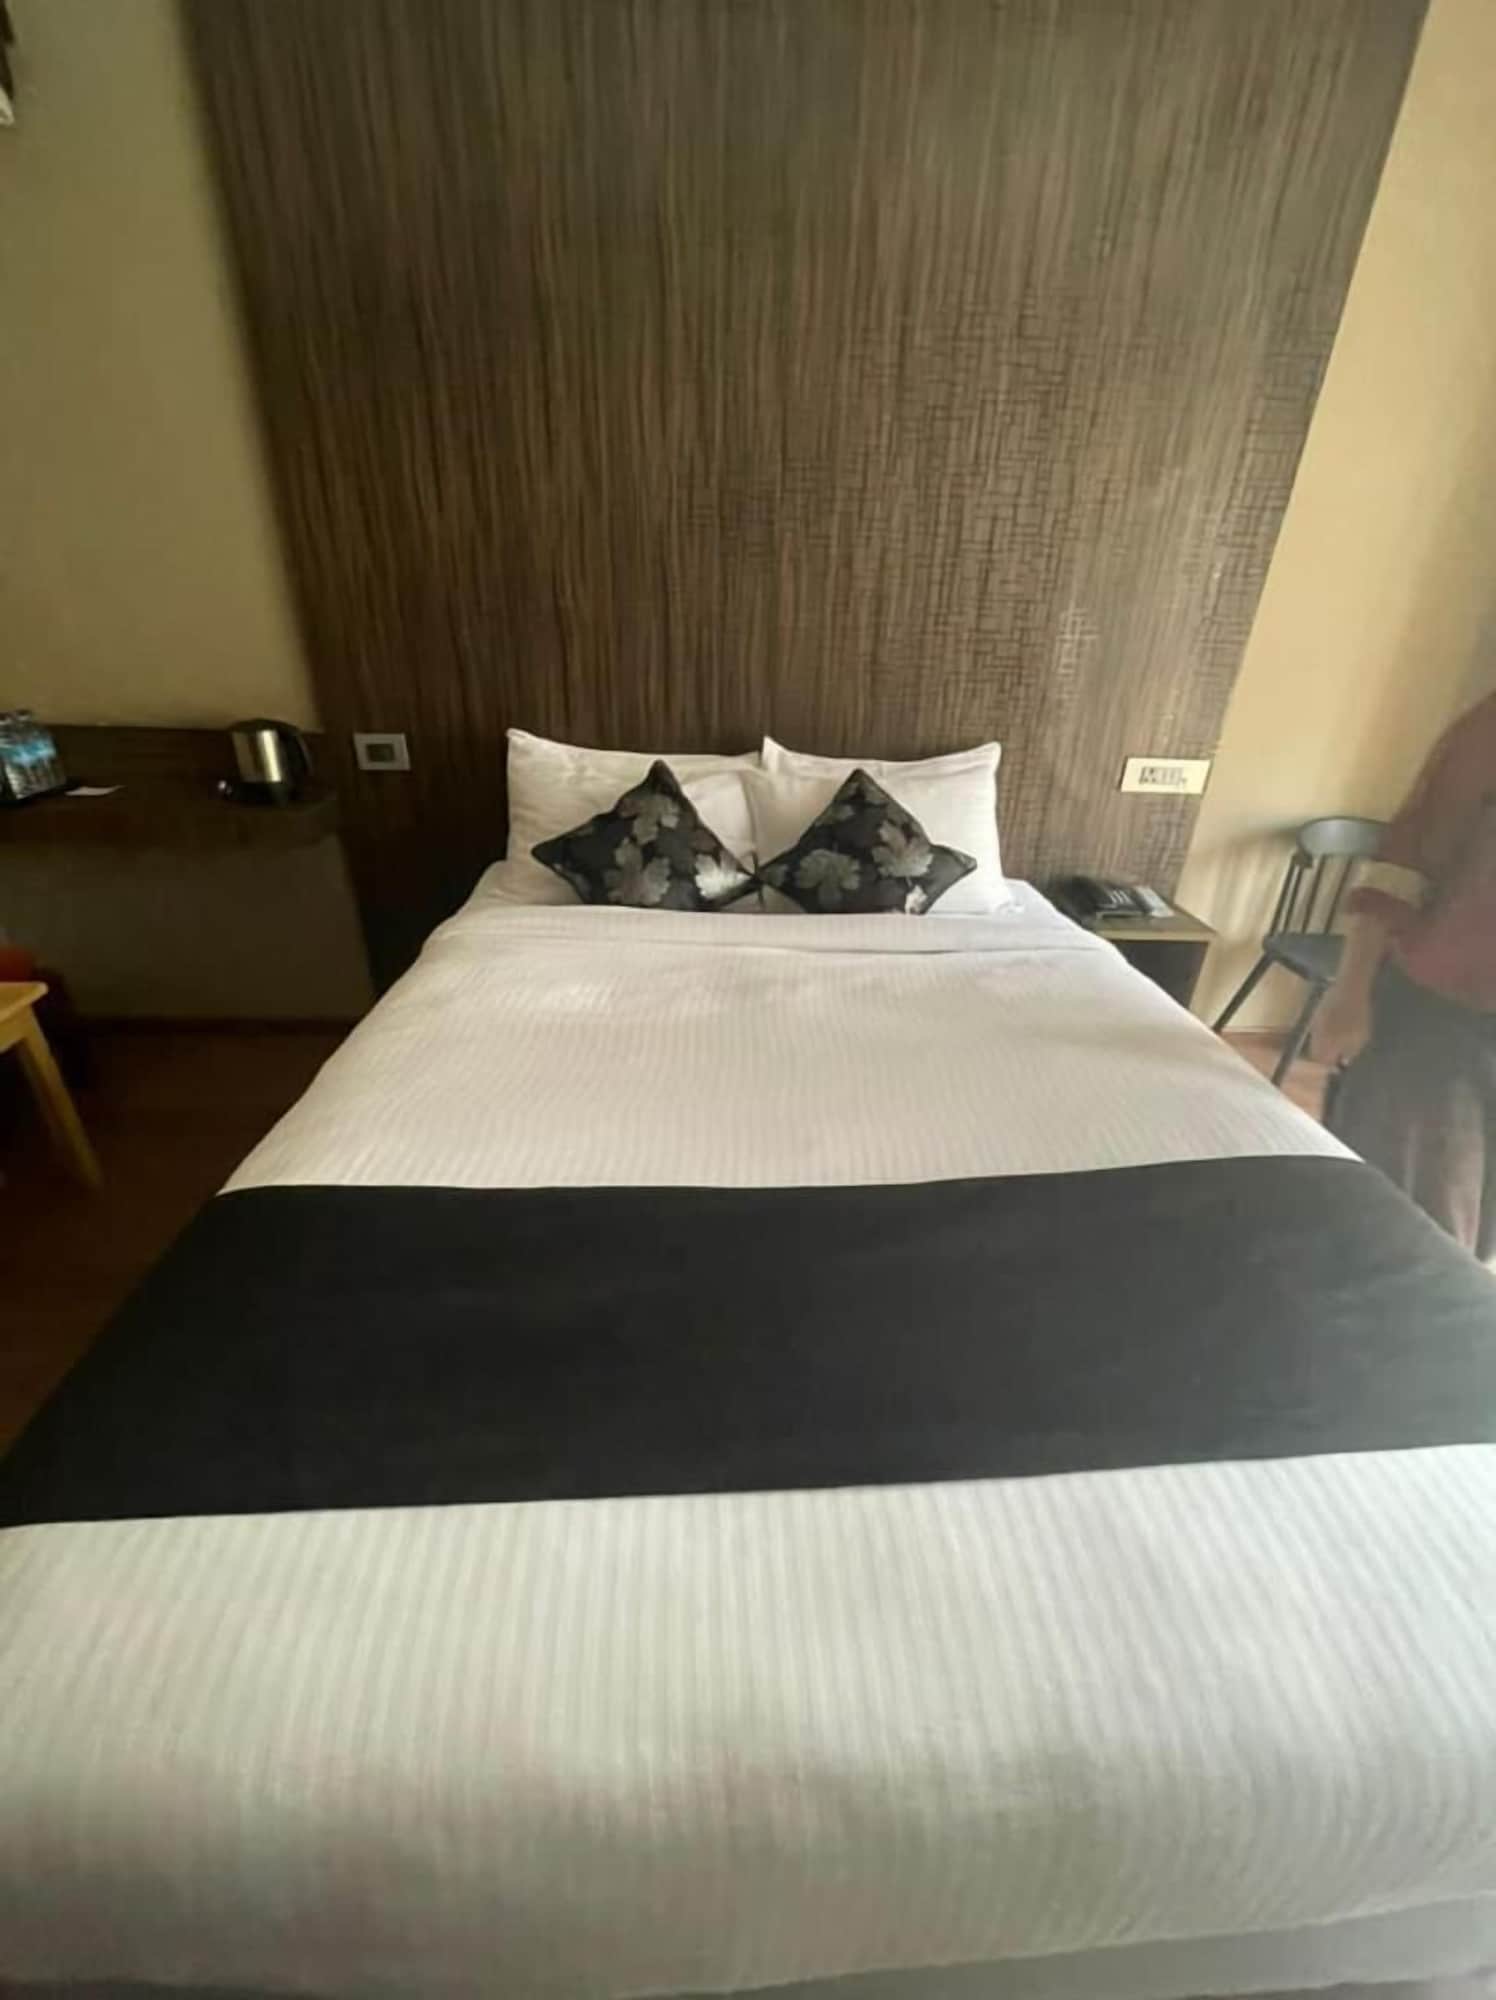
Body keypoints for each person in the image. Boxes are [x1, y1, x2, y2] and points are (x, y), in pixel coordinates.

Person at [1314, 689, 1496, 1259]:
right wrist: (1349, 993)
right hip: (1438, 1021)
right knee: (1407, 1226)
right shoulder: (1487, 731)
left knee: (1473, 1245)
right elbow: (1402, 867)